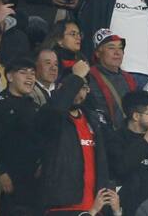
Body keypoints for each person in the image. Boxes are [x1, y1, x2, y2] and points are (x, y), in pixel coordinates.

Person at [35, 59, 111, 213]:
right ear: (61, 88)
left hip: (95, 207)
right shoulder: (50, 115)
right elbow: (56, 111)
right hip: (62, 207)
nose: (78, 92)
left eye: (83, 87)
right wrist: (75, 77)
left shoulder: (93, 120)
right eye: (74, 86)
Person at [0, 56, 38, 214]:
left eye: (33, 73)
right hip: (6, 184)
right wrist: (0, 172)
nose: (30, 77)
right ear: (9, 76)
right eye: (23, 72)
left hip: (32, 185)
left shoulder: (35, 107)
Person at [86, 28, 137, 129]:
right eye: (111, 48)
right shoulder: (89, 76)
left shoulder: (129, 78)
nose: (117, 52)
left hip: (129, 136)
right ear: (98, 53)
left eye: (120, 48)